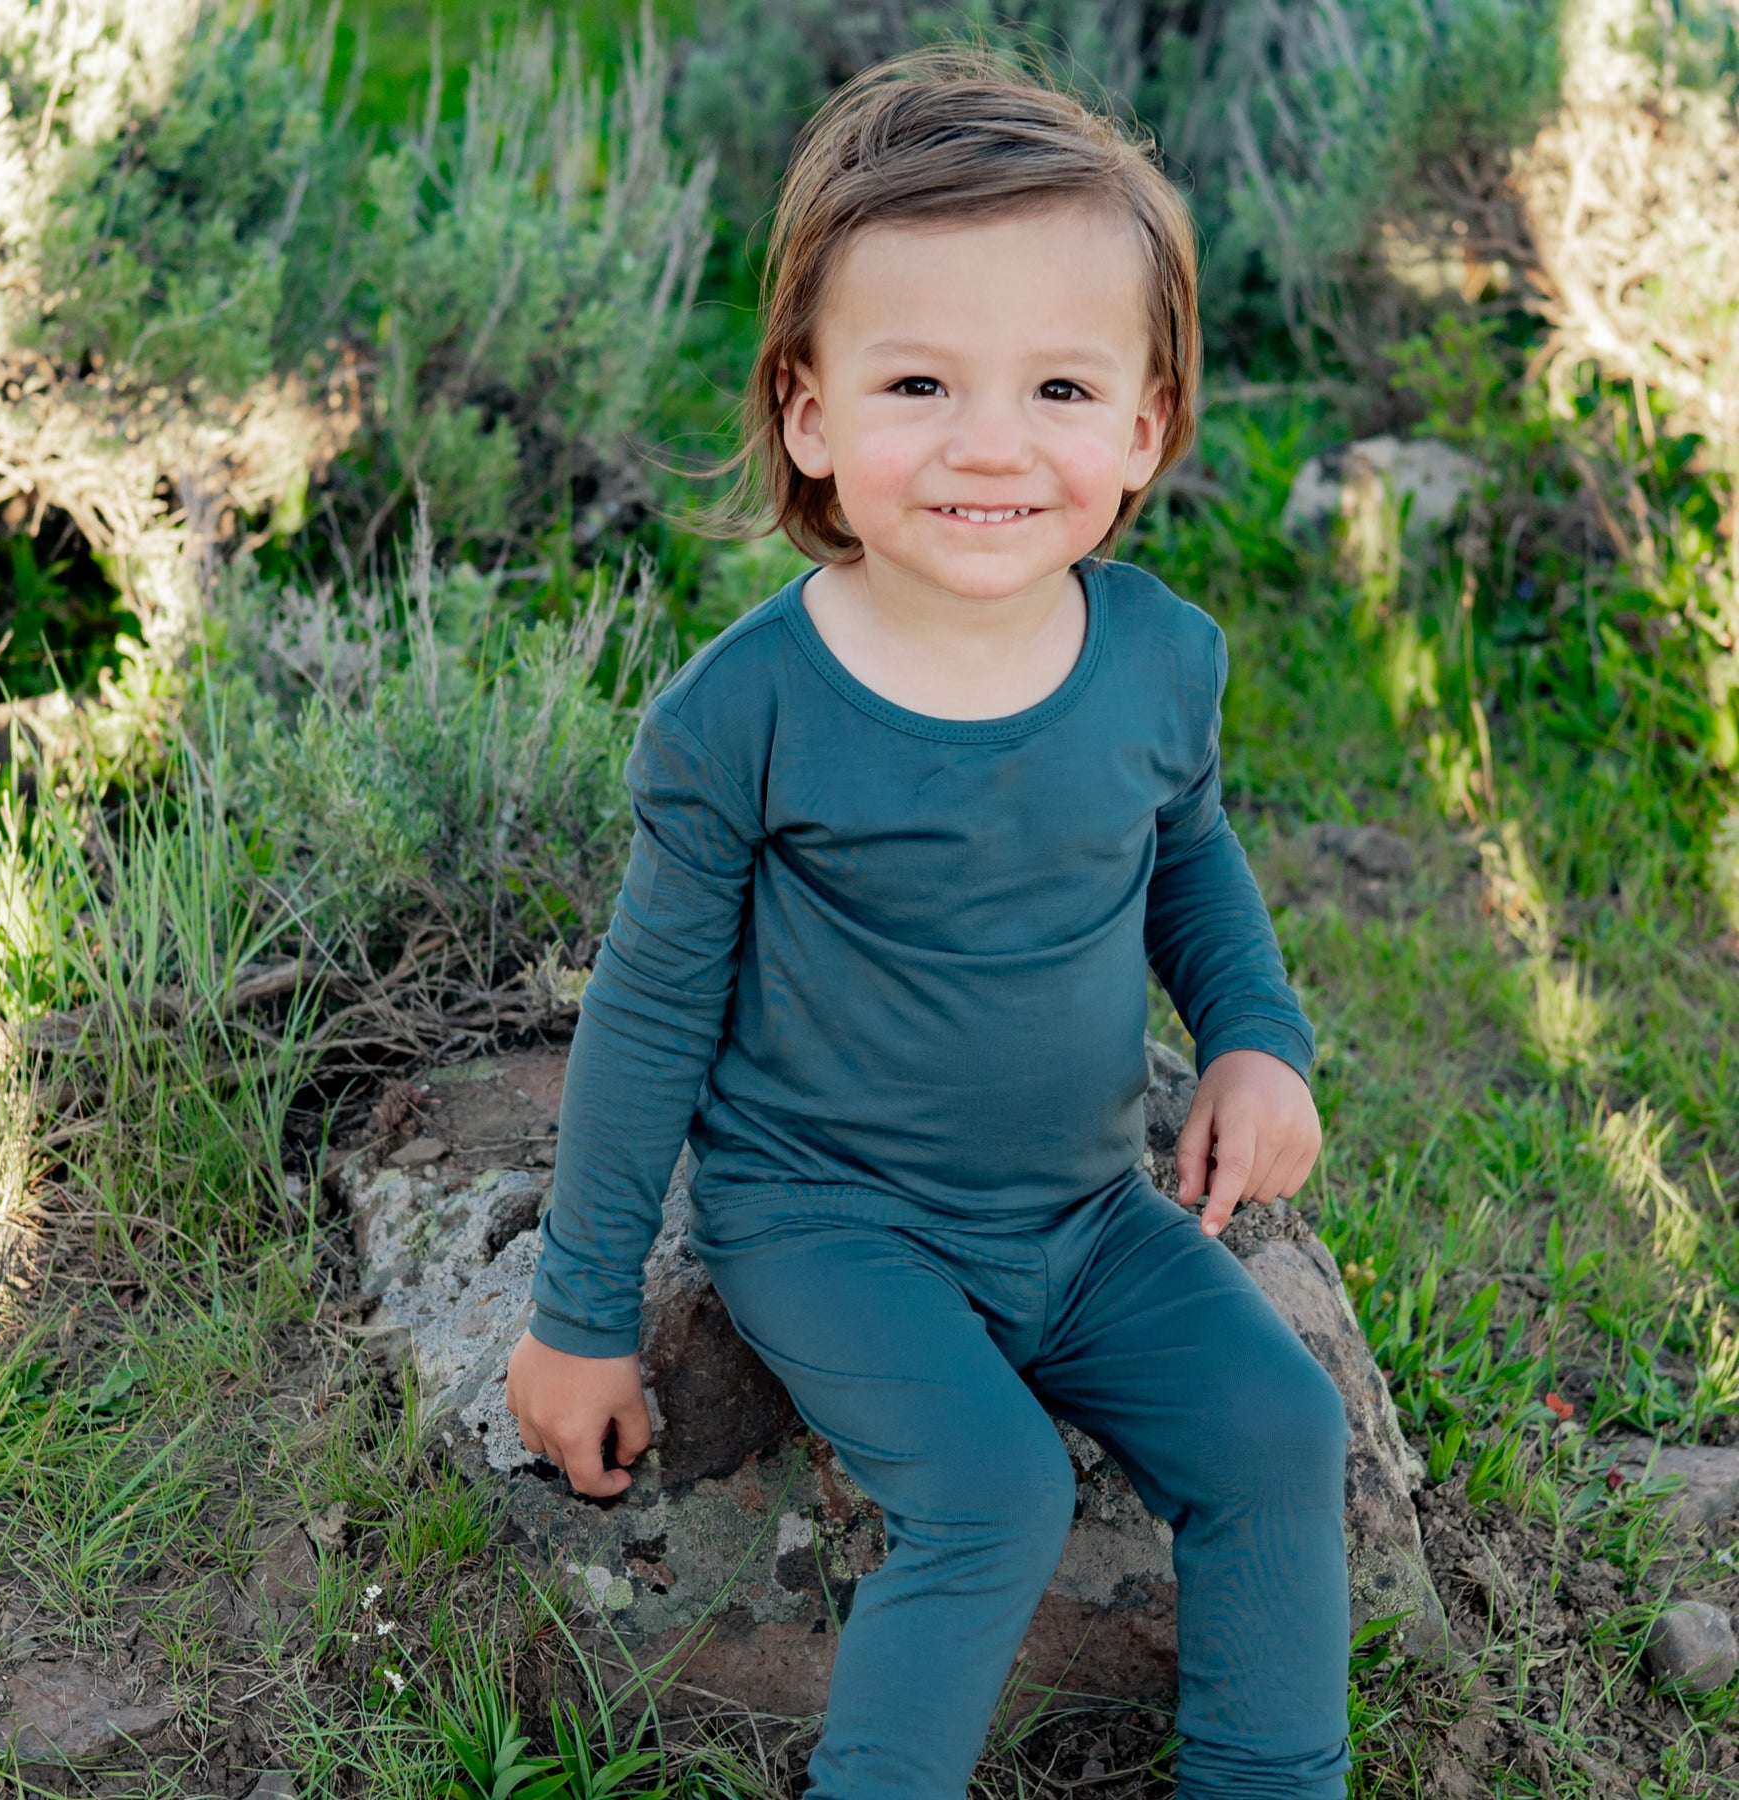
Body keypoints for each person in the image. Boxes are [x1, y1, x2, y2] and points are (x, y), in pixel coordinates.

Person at [504, 47, 1351, 1800]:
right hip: (830, 1215)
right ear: (808, 410)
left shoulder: (1154, 659)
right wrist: (580, 1314)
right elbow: (650, 1016)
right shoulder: (744, 717)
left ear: (1146, 425)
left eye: (1057, 385)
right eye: (915, 381)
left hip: (1079, 1204)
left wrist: (1258, 1037)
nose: (988, 444)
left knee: (1280, 1431)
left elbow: (1184, 855)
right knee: (993, 1491)